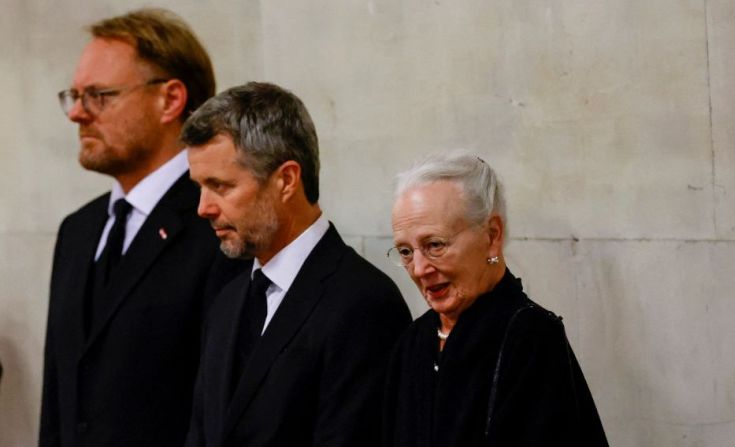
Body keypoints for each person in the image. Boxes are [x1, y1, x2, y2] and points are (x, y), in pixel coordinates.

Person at [41, 9, 245, 447]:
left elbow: (220, 405)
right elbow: (59, 403)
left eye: (99, 95)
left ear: (170, 99)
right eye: (73, 96)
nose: (77, 113)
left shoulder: (219, 224)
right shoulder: (78, 231)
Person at [182, 81, 412, 446]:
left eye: (221, 186)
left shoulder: (364, 305)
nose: (203, 207)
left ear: (286, 180)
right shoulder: (227, 302)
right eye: (199, 186)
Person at [382, 152, 608, 446]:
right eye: (406, 252)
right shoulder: (412, 343)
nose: (420, 269)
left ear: (492, 235)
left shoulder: (530, 339)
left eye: (435, 245)